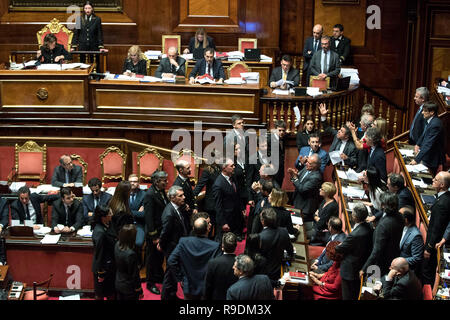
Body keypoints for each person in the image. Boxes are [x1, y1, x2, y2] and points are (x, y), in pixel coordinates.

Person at [167, 217, 222, 300]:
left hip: (188, 286)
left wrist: (180, 278)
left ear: (193, 229)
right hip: (206, 287)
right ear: (208, 229)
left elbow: (171, 260)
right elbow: (218, 268)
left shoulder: (183, 242)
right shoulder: (215, 246)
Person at [335, 203, 373, 300]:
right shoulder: (369, 227)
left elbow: (339, 248)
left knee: (347, 296)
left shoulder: (355, 235)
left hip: (350, 270)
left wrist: (340, 245)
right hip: (360, 264)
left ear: (355, 216)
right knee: (355, 294)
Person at [361, 192, 404, 277]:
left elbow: (376, 251)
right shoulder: (400, 217)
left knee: (371, 287)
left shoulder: (383, 225)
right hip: (393, 257)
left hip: (378, 264)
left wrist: (364, 269)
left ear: (384, 205)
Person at [159, 186, 190, 300]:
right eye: (180, 196)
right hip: (172, 247)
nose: (184, 197)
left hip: (177, 244)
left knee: (172, 274)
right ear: (172, 198)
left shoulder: (177, 207)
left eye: (183, 195)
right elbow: (165, 232)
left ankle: (171, 294)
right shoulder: (169, 213)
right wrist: (161, 245)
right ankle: (166, 296)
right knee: (170, 273)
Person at [422, 171, 450, 287]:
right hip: (436, 240)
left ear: (442, 185)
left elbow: (436, 229)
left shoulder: (441, 204)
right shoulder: (446, 197)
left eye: (436, 180)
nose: (433, 180)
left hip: (434, 245)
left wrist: (429, 248)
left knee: (427, 271)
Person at [144, 170, 169, 295]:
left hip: (161, 230)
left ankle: (159, 276)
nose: (166, 182)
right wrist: (154, 236)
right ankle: (150, 283)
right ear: (156, 181)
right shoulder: (150, 195)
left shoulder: (160, 190)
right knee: (151, 259)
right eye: (164, 180)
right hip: (153, 233)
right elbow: (148, 217)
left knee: (159, 257)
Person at [256, 208, 294, 285]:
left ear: (262, 221)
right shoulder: (284, 231)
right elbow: (290, 250)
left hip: (263, 274)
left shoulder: (260, 237)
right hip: (277, 270)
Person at [288, 153, 323, 237]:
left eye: (310, 163)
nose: (306, 163)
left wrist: (295, 178)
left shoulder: (316, 177)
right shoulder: (306, 168)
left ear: (316, 165)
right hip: (298, 201)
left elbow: (302, 189)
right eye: (307, 161)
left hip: (305, 207)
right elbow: (297, 180)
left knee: (300, 229)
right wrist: (294, 176)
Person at [212, 158, 245, 241]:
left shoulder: (233, 177)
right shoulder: (218, 184)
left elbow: (237, 194)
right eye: (232, 166)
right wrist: (223, 223)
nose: (234, 167)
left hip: (236, 215)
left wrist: (242, 208)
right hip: (227, 218)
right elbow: (218, 206)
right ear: (224, 168)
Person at [410, 102, 445, 176]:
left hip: (431, 159)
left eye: (425, 111)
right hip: (427, 156)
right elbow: (424, 133)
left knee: (425, 178)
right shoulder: (432, 121)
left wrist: (416, 160)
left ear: (432, 112)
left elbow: (428, 143)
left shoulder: (436, 124)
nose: (422, 113)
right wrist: (418, 144)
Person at [319, 103, 358, 168]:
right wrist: (323, 116)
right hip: (333, 166)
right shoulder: (337, 136)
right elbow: (327, 128)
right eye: (340, 129)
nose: (339, 131)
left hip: (345, 168)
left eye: (341, 131)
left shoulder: (352, 146)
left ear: (346, 136)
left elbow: (355, 161)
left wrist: (346, 158)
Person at [91, 205, 116, 300]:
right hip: (103, 268)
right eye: (109, 213)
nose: (112, 214)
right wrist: (101, 273)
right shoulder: (99, 232)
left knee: (111, 293)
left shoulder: (109, 224)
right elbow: (99, 254)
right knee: (100, 295)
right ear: (103, 217)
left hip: (110, 265)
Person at [203, 232, 238, 300]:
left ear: (222, 246)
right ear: (235, 246)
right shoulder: (240, 263)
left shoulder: (213, 263)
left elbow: (208, 286)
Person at [114, 224, 143, 300]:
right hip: (128, 288)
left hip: (118, 282)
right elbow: (134, 275)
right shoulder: (131, 254)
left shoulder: (117, 245)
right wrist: (139, 289)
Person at [193, 152, 221, 230]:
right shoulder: (207, 171)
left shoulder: (219, 168)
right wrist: (192, 196)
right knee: (210, 226)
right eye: (218, 157)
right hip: (211, 203)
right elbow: (200, 185)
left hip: (219, 202)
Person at [399, 207, 424, 278]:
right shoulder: (402, 226)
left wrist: (400, 261)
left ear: (406, 220)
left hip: (404, 268)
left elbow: (417, 258)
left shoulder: (415, 236)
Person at [128, 174, 146, 266]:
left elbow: (143, 214)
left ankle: (139, 263)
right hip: (126, 224)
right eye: (130, 181)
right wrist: (136, 212)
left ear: (138, 183)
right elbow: (121, 212)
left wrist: (129, 212)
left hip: (139, 224)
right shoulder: (124, 193)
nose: (132, 183)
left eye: (135, 181)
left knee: (138, 243)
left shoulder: (144, 195)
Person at [267, 120, 287, 187]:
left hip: (280, 171)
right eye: (279, 130)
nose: (281, 132)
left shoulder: (283, 139)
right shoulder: (269, 140)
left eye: (283, 131)